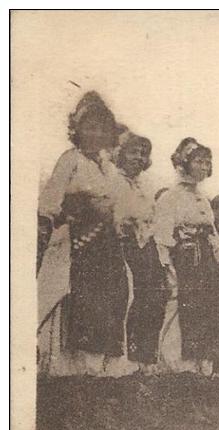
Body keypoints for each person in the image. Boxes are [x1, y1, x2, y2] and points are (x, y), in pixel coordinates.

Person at [37, 92, 136, 381]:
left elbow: (121, 206)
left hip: (108, 243)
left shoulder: (107, 167)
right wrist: (73, 213)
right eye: (89, 127)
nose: (95, 133)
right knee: (85, 299)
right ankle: (78, 365)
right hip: (80, 242)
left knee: (115, 296)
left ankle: (106, 363)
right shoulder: (70, 160)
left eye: (102, 128)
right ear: (76, 129)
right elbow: (49, 203)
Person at [152, 138, 219, 386]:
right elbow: (162, 239)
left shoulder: (204, 200)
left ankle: (204, 369)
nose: (204, 166)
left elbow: (214, 239)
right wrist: (169, 273)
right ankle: (180, 369)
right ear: (184, 163)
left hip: (206, 264)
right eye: (199, 161)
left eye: (207, 162)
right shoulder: (170, 197)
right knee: (183, 311)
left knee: (208, 312)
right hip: (184, 262)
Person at [109, 130, 167, 372]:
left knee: (153, 297)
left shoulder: (145, 185)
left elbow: (153, 216)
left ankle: (144, 357)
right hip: (118, 245)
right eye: (133, 152)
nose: (139, 158)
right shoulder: (112, 180)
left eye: (143, 154)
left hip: (144, 246)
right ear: (120, 154)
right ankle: (122, 359)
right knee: (125, 296)